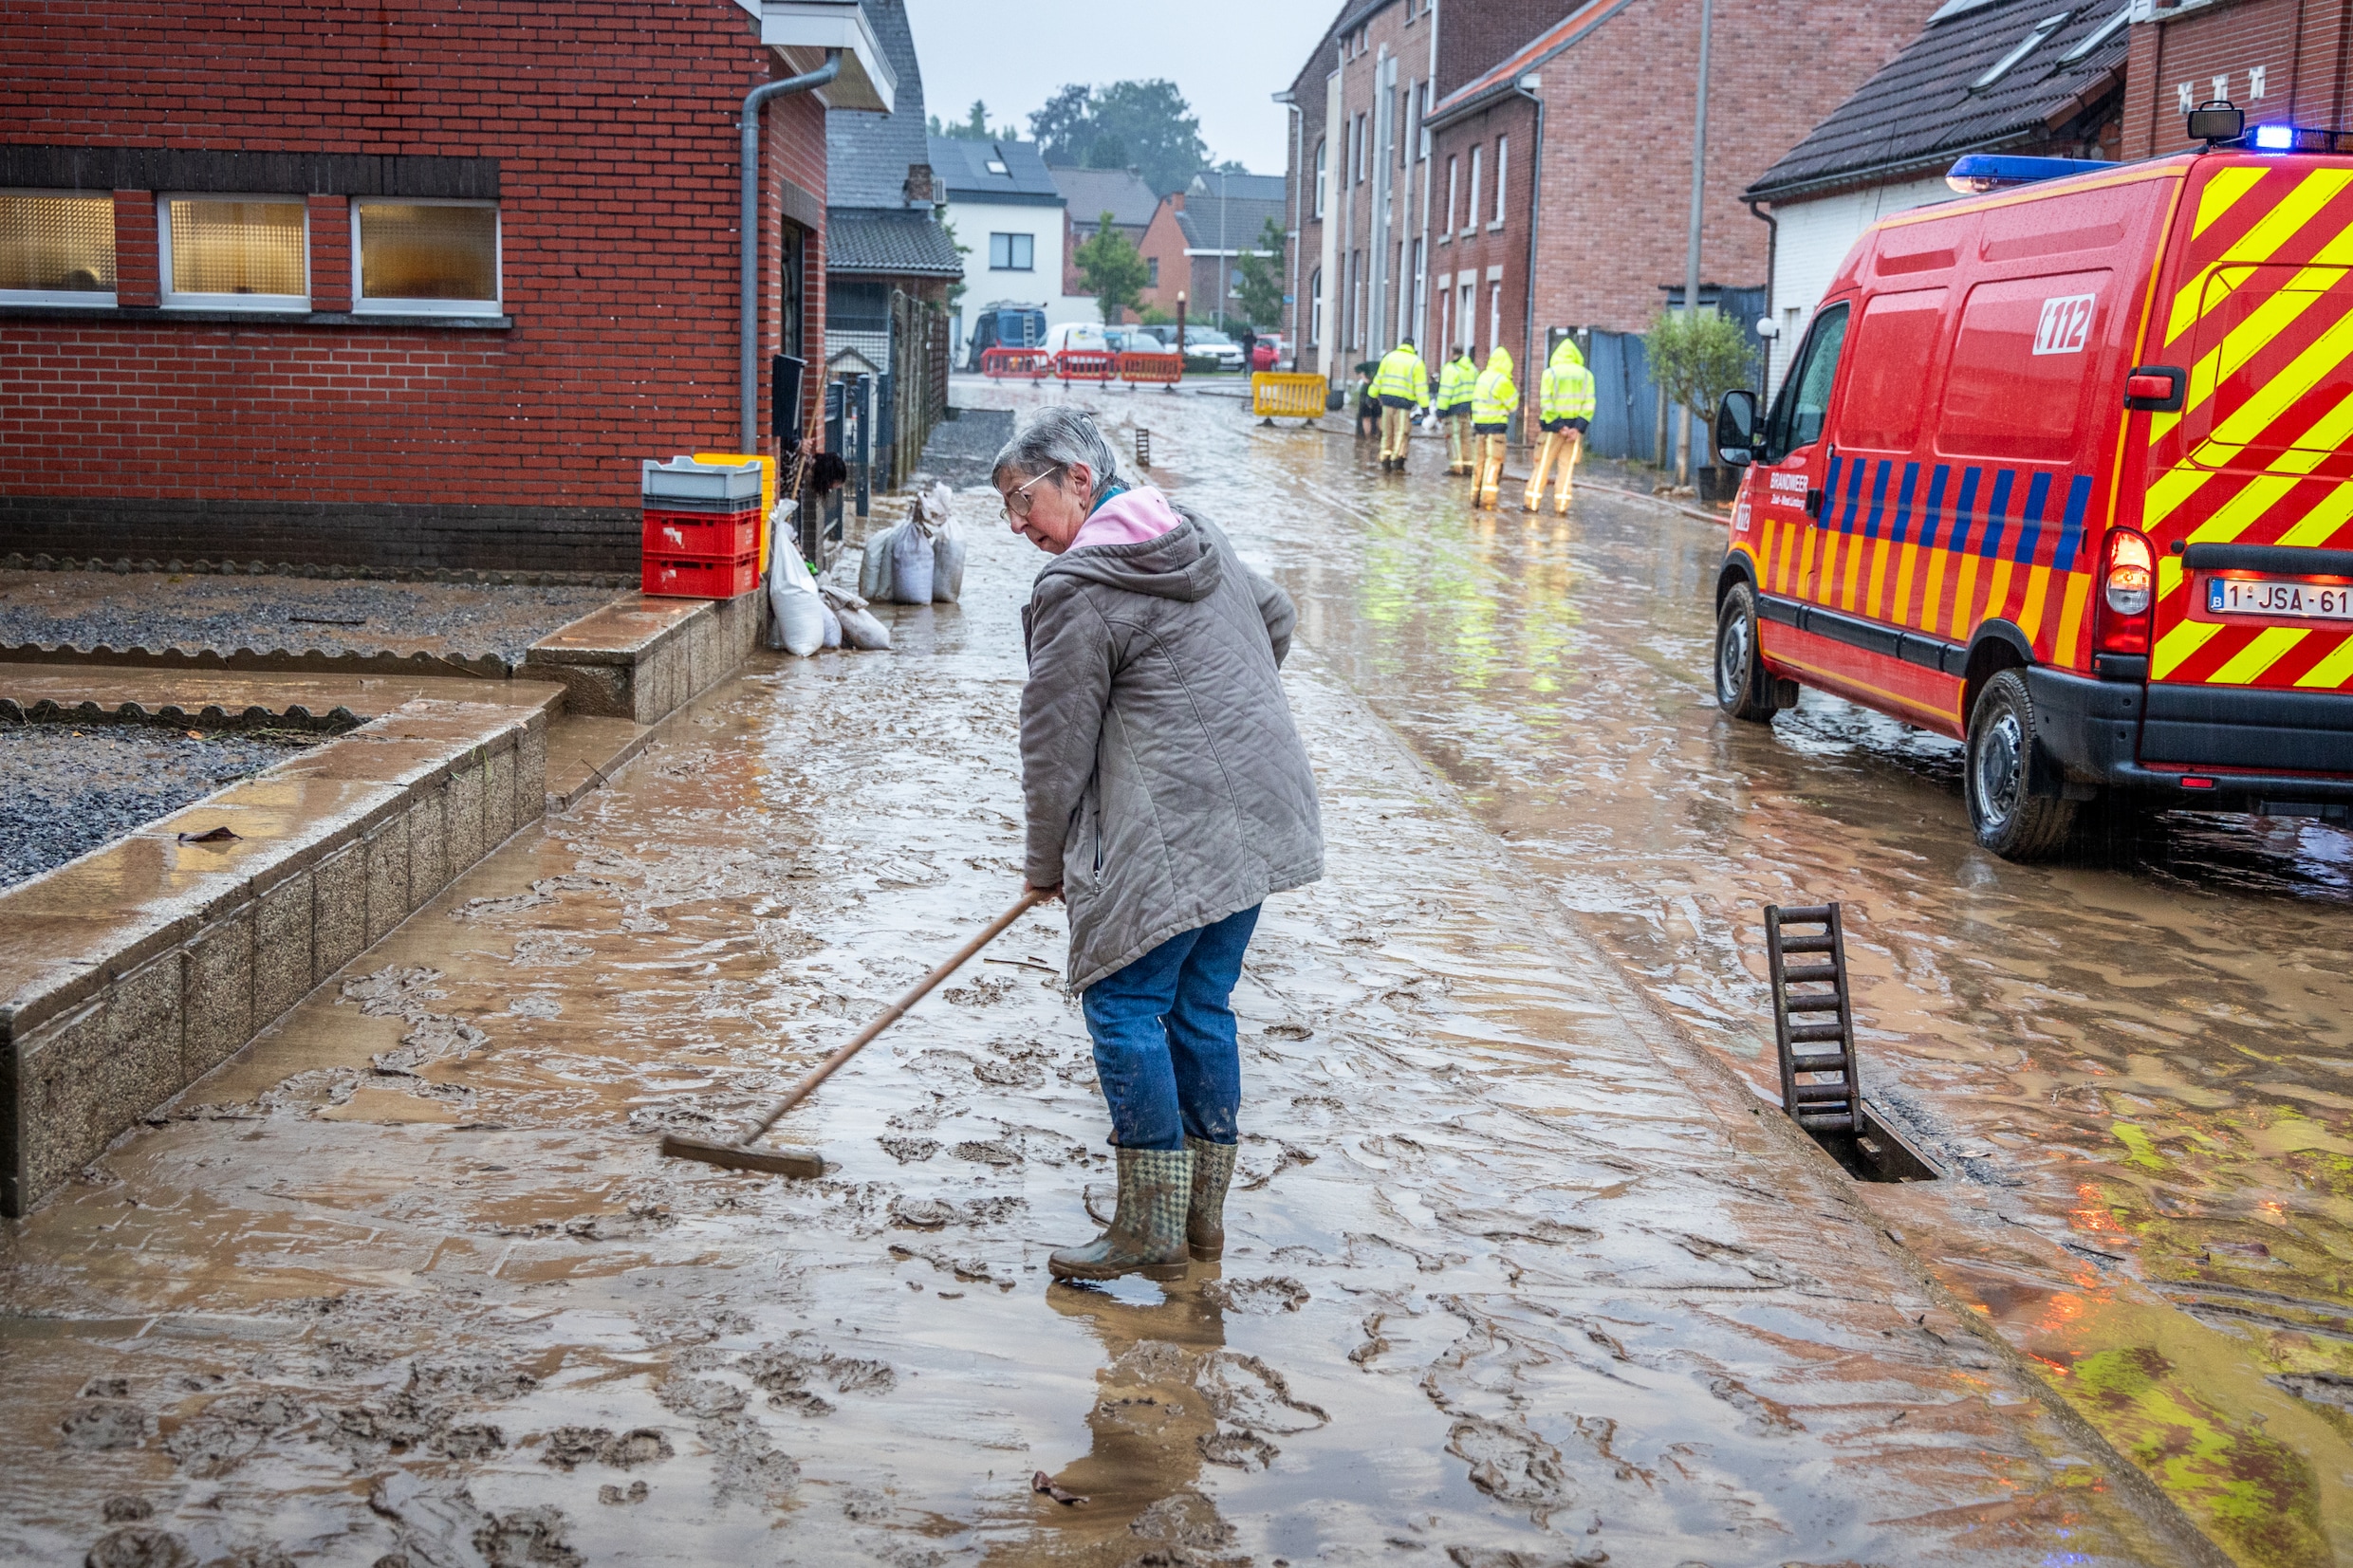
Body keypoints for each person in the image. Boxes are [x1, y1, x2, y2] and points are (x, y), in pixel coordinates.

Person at [992, 407, 1325, 1282]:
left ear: (1076, 477)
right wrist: (1217, 724)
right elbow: (1277, 617)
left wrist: (1041, 866)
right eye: (1007, 512)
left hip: (1179, 825)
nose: (1019, 524)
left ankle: (1148, 1228)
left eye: (1023, 500)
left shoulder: (1079, 588)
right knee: (1199, 1003)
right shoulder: (1192, 531)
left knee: (1121, 1000)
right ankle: (1200, 1224)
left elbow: (1054, 744)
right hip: (1260, 809)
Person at [1525, 336, 1597, 514]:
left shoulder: (1551, 373)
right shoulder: (1587, 375)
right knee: (1566, 469)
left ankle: (1532, 505)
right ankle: (1562, 507)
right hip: (1574, 433)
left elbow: (1546, 403)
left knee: (1542, 466)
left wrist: (1559, 426)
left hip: (1552, 430)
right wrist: (1577, 428)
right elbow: (1589, 405)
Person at [1369, 337, 1430, 473]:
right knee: (1401, 433)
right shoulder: (1417, 362)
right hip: (1404, 404)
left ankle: (1385, 458)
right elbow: (1420, 388)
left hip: (1387, 402)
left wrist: (1372, 396)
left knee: (1387, 432)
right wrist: (1425, 407)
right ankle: (1396, 461)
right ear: (1413, 347)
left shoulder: (1389, 358)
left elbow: (1378, 378)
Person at [1470, 346, 1518, 509]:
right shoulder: (1502, 381)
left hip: (1479, 428)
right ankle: (1488, 501)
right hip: (1495, 429)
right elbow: (1513, 405)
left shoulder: (1482, 377)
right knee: (1494, 464)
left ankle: (1474, 498)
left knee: (1479, 463)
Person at [1435, 344, 1478, 476]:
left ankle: (1456, 467)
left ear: (1451, 352)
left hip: (1452, 409)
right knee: (1466, 438)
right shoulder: (1472, 369)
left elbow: (1445, 392)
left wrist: (1440, 411)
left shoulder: (1450, 369)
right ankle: (1468, 466)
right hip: (1468, 409)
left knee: (1453, 438)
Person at [1353, 361, 1380, 441]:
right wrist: (1364, 378)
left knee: (1375, 416)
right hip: (1367, 393)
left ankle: (1373, 437)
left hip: (1376, 393)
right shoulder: (1373, 364)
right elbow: (1358, 367)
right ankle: (1370, 437)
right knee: (1369, 416)